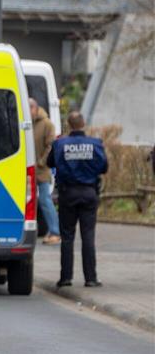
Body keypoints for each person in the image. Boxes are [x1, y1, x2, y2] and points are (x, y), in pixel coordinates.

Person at [48, 111, 107, 288]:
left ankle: (66, 278)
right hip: (89, 193)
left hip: (68, 194)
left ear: (69, 124)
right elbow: (104, 167)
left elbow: (50, 163)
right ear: (83, 124)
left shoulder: (59, 144)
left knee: (67, 237)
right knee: (88, 236)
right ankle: (91, 278)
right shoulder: (96, 144)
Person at [30, 99, 60, 244]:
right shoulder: (27, 122)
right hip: (28, 169)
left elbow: (51, 146)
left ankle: (55, 231)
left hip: (41, 170)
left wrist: (42, 162)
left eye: (30, 108)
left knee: (45, 200)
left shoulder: (47, 124)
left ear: (35, 108)